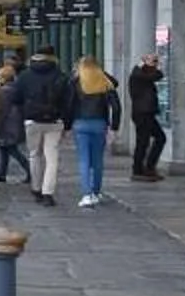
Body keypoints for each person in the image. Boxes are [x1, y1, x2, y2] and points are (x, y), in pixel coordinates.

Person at [15, 45, 75, 207]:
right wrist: (67, 123)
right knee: (52, 157)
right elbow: (69, 102)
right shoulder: (61, 76)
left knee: (34, 155)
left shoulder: (25, 75)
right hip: (55, 122)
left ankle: (36, 188)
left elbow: (16, 98)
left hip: (32, 121)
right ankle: (48, 192)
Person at [71, 55, 121, 206]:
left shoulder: (76, 82)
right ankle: (96, 191)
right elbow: (116, 107)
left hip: (80, 123)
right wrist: (114, 127)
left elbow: (69, 104)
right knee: (98, 160)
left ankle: (87, 194)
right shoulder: (104, 81)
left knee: (84, 160)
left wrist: (67, 125)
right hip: (99, 123)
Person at [127, 54, 168, 181]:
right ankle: (142, 169)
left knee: (150, 140)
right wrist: (154, 65)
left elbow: (155, 76)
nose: (154, 64)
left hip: (145, 113)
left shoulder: (141, 75)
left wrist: (150, 64)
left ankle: (145, 168)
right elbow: (158, 75)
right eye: (151, 62)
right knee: (145, 141)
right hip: (143, 113)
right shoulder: (137, 75)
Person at [0, 60, 30, 185]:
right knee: (5, 150)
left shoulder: (3, 91)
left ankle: (30, 170)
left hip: (6, 125)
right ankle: (1, 174)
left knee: (12, 150)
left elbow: (1, 110)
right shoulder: (15, 89)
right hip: (14, 123)